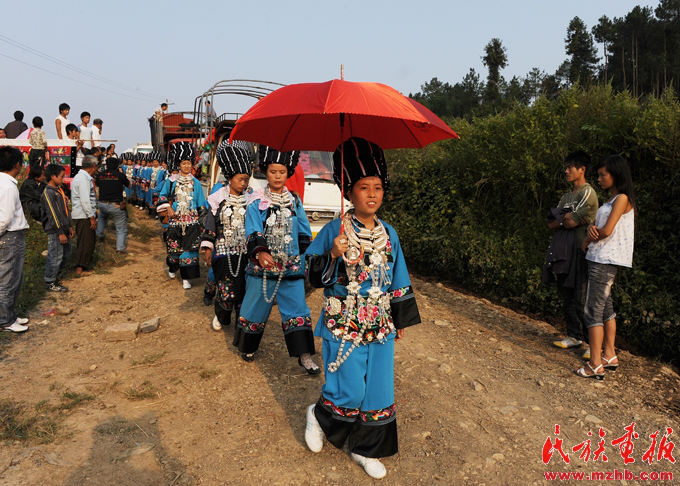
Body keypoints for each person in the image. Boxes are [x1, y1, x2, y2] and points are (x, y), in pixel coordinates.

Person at [303, 138, 421, 479]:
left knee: (378, 391)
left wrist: (399, 317)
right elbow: (310, 272)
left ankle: (365, 449)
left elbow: (398, 277)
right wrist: (332, 254)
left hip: (380, 325)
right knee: (350, 389)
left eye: (378, 187)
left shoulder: (390, 234)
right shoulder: (334, 230)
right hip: (344, 323)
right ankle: (318, 416)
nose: (372, 194)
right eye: (363, 187)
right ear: (349, 192)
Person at [235, 145, 317, 370]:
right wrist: (260, 251)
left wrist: (308, 257)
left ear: (288, 173)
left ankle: (304, 355)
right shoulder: (256, 200)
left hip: (291, 267)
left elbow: (303, 231)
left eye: (282, 172)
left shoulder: (294, 201)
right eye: (273, 171)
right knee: (255, 307)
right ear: (265, 172)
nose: (278, 176)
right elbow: (253, 228)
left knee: (298, 309)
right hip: (263, 267)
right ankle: (248, 346)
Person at [574, 155, 636, 380]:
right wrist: (591, 228)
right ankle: (609, 355)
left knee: (593, 309)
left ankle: (594, 364)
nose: (599, 179)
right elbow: (600, 227)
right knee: (606, 306)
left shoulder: (622, 198)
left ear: (616, 175)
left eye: (602, 175)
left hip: (604, 259)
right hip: (600, 257)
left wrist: (587, 239)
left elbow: (607, 230)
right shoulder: (612, 199)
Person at [544, 151, 598, 357]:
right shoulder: (566, 196)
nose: (566, 171)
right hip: (564, 250)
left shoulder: (587, 192)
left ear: (582, 170)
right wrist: (567, 218)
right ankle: (574, 336)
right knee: (566, 295)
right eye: (566, 167)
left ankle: (594, 345)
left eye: (570, 167)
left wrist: (566, 218)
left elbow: (569, 222)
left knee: (581, 298)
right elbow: (552, 223)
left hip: (582, 250)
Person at [200, 140, 252, 332]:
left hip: (245, 251)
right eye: (240, 179)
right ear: (230, 177)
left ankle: (241, 320)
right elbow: (210, 224)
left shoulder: (251, 198)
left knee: (243, 288)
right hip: (223, 252)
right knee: (225, 287)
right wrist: (208, 248)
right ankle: (221, 315)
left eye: (246, 179)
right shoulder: (218, 198)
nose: (244, 183)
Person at [157, 142, 207, 289]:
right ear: (179, 165)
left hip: (192, 221)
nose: (186, 166)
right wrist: (168, 208)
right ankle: (173, 267)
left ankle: (186, 278)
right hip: (175, 221)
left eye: (188, 163)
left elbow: (201, 203)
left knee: (190, 250)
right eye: (183, 163)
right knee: (174, 251)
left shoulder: (196, 182)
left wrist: (203, 221)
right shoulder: (171, 181)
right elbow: (162, 196)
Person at [0, 147, 30, 332]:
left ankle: (9, 315)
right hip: (10, 236)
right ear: (17, 165)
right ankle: (5, 320)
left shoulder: (4, 183)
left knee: (13, 278)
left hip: (10, 236)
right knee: (8, 280)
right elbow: (5, 218)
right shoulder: (8, 186)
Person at [41, 163, 73, 292]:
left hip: (64, 227)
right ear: (53, 176)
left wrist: (69, 226)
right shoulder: (48, 193)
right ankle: (50, 281)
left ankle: (55, 275)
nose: (63, 179)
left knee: (66, 253)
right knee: (55, 255)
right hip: (55, 230)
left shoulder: (59, 191)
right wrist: (60, 232)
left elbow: (65, 210)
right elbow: (52, 214)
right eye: (61, 176)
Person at [71, 156, 99, 276]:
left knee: (88, 241)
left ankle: (84, 266)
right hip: (83, 216)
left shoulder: (83, 177)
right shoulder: (83, 179)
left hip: (84, 215)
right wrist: (91, 217)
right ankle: (80, 268)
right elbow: (85, 200)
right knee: (85, 242)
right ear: (93, 166)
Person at [96, 157, 130, 253]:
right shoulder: (120, 175)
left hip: (102, 204)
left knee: (102, 217)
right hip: (116, 205)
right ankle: (120, 248)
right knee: (121, 228)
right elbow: (129, 185)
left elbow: (98, 185)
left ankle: (99, 235)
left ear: (106, 166)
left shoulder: (100, 175)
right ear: (117, 166)